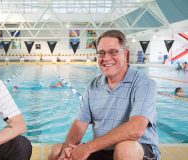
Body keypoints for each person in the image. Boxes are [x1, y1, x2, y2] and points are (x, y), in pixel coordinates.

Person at [49, 30, 160, 160]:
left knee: (125, 149)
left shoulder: (143, 83)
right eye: (101, 53)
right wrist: (66, 151)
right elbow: (79, 124)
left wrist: (87, 148)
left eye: (113, 52)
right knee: (56, 151)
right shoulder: (93, 85)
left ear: (125, 54)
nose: (106, 58)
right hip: (102, 149)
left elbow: (136, 130)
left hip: (139, 150)